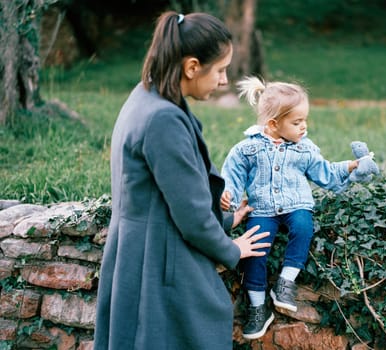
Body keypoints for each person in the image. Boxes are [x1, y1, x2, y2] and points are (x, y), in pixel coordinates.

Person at [94, 12, 271, 350]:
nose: (223, 80)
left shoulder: (147, 95)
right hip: (157, 262)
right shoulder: (163, 119)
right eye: (219, 70)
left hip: (136, 250)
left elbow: (166, 192)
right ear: (192, 67)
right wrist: (232, 248)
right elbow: (190, 216)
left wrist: (226, 217)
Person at [221, 76, 359, 340]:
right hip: (262, 208)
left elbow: (325, 172)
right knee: (256, 247)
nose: (304, 127)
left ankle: (286, 281)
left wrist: (349, 167)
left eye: (305, 120)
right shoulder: (247, 149)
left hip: (296, 204)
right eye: (297, 122)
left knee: (303, 226)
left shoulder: (303, 149)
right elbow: (233, 176)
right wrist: (228, 196)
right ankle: (258, 306)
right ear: (273, 124)